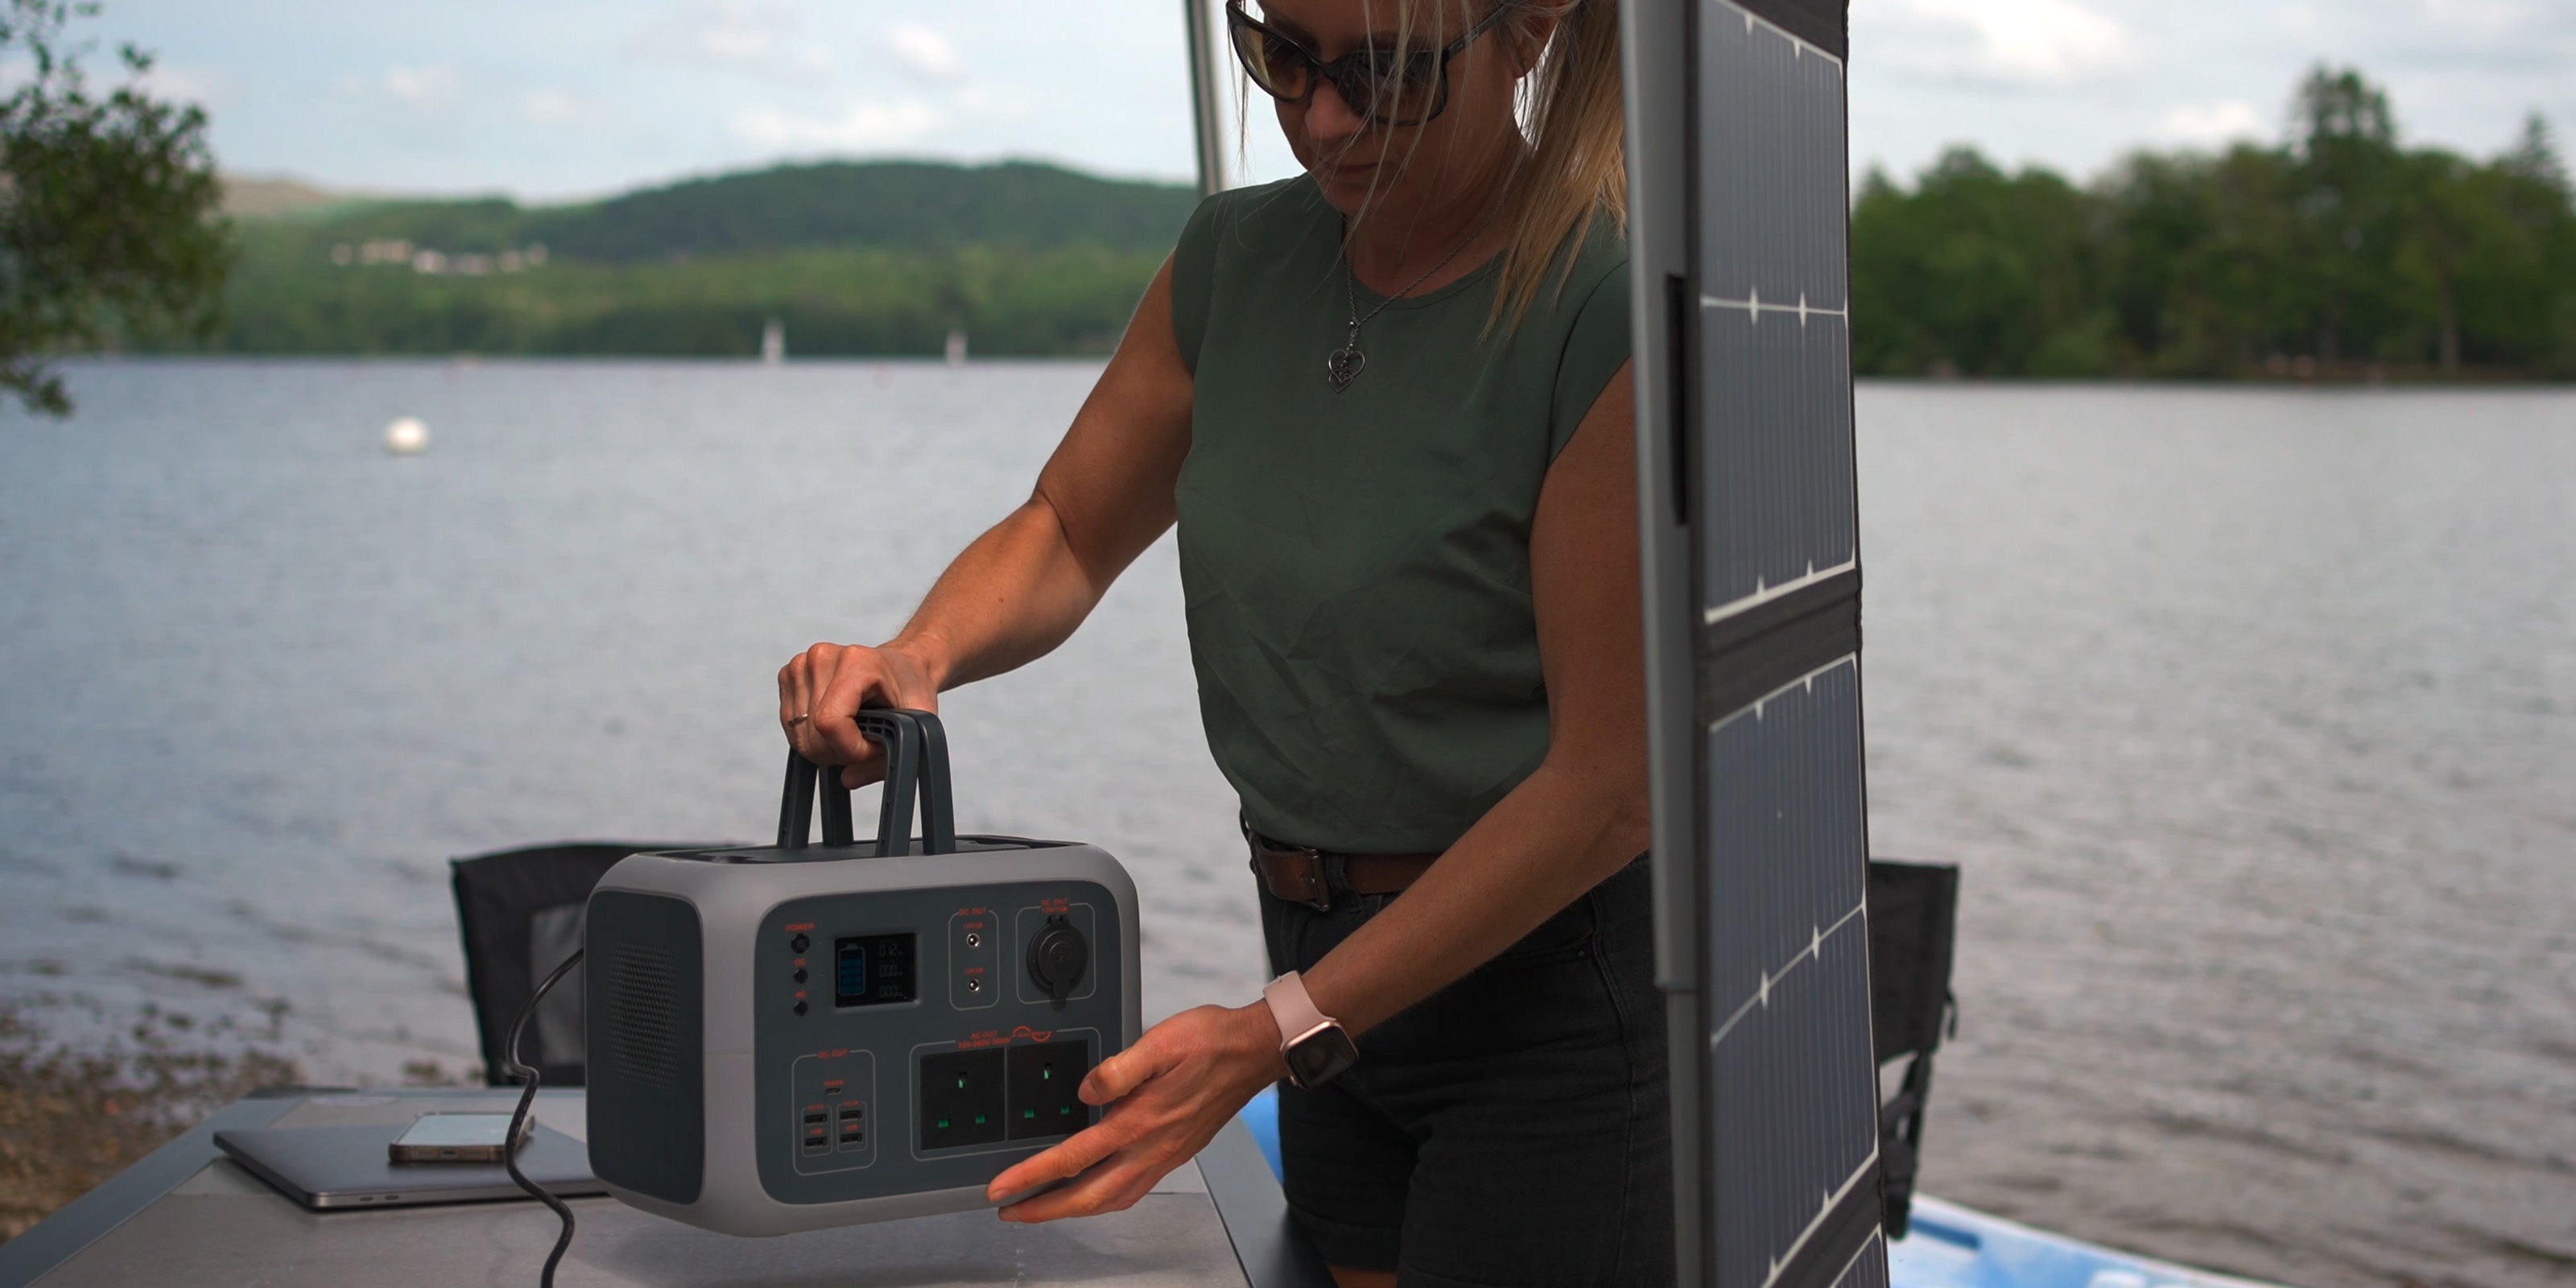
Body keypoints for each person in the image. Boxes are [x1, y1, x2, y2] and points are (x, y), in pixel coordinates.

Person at [775, 1, 1662, 1282]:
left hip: (1544, 999)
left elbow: (1607, 791)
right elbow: (1070, 527)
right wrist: (917, 658)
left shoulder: (1606, 296)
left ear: (1527, 32)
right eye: (1284, 55)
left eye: (1390, 74)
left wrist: (1272, 1033)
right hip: (1313, 963)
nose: (1322, 118)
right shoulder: (1236, 257)